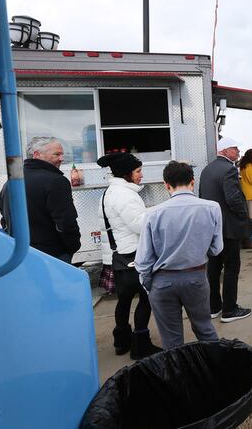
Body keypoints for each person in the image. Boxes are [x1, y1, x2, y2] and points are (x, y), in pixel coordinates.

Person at [135, 161, 223, 350]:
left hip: (162, 281)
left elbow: (143, 260)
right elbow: (216, 249)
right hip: (196, 276)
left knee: (172, 341)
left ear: (166, 185)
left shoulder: (153, 214)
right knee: (205, 330)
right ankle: (218, 369)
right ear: (193, 182)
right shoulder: (212, 208)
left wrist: (149, 284)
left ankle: (178, 377)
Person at [97, 152, 162, 359]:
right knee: (146, 298)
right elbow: (140, 225)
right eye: (138, 171)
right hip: (132, 254)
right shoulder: (124, 194)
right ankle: (140, 344)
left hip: (117, 256)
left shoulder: (110, 192)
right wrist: (160, 210)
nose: (141, 175)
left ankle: (121, 342)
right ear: (126, 174)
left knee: (123, 301)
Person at [0, 136, 81, 263]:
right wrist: (73, 246)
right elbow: (66, 222)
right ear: (37, 155)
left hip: (20, 253)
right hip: (52, 255)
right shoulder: (56, 181)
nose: (62, 158)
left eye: (62, 154)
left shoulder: (12, 180)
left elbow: (4, 218)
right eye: (57, 154)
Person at [199, 137, 252, 323]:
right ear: (224, 150)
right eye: (235, 148)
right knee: (231, 267)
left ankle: (214, 307)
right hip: (228, 228)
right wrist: (243, 216)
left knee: (213, 268)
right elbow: (233, 199)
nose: (238, 152)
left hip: (212, 228)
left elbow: (202, 199)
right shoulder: (229, 169)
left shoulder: (206, 170)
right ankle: (230, 309)